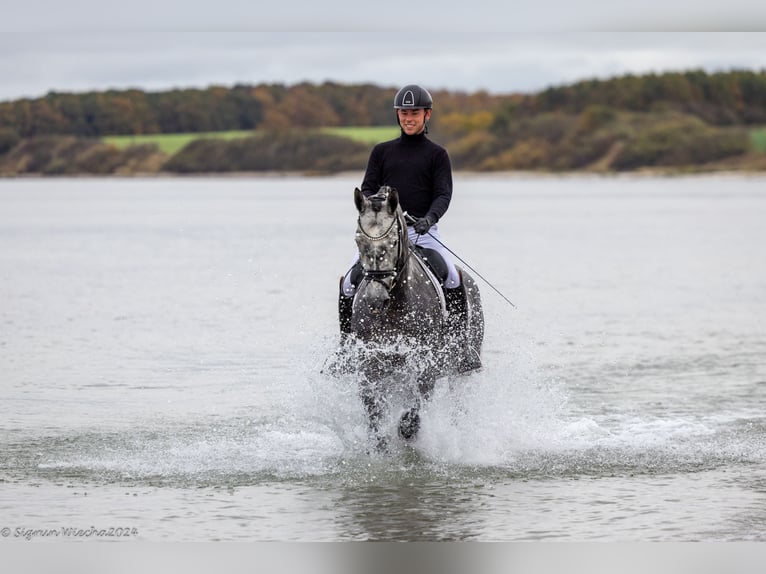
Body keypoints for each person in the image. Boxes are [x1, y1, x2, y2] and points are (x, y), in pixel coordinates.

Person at [338, 83, 480, 372]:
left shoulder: (437, 155)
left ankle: (459, 347)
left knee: (452, 278)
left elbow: (443, 194)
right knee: (349, 283)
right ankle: (346, 350)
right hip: (384, 235)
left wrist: (429, 219)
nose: (408, 118)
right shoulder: (381, 152)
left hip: (422, 233)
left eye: (414, 112)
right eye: (403, 113)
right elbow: (367, 190)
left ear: (427, 115)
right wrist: (380, 211)